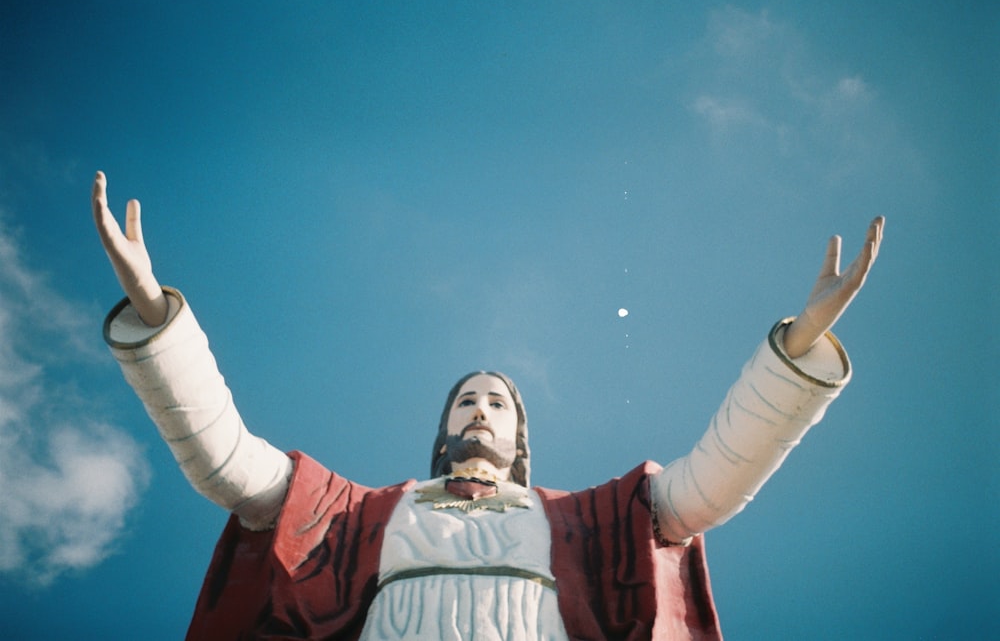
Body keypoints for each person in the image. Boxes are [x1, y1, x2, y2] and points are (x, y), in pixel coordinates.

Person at [92, 171, 884, 640]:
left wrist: (798, 347)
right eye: (466, 399)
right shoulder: (353, 514)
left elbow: (709, 486)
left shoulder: (588, 521)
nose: (480, 410)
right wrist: (160, 320)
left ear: (520, 436)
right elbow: (231, 465)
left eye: (498, 403)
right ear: (442, 430)